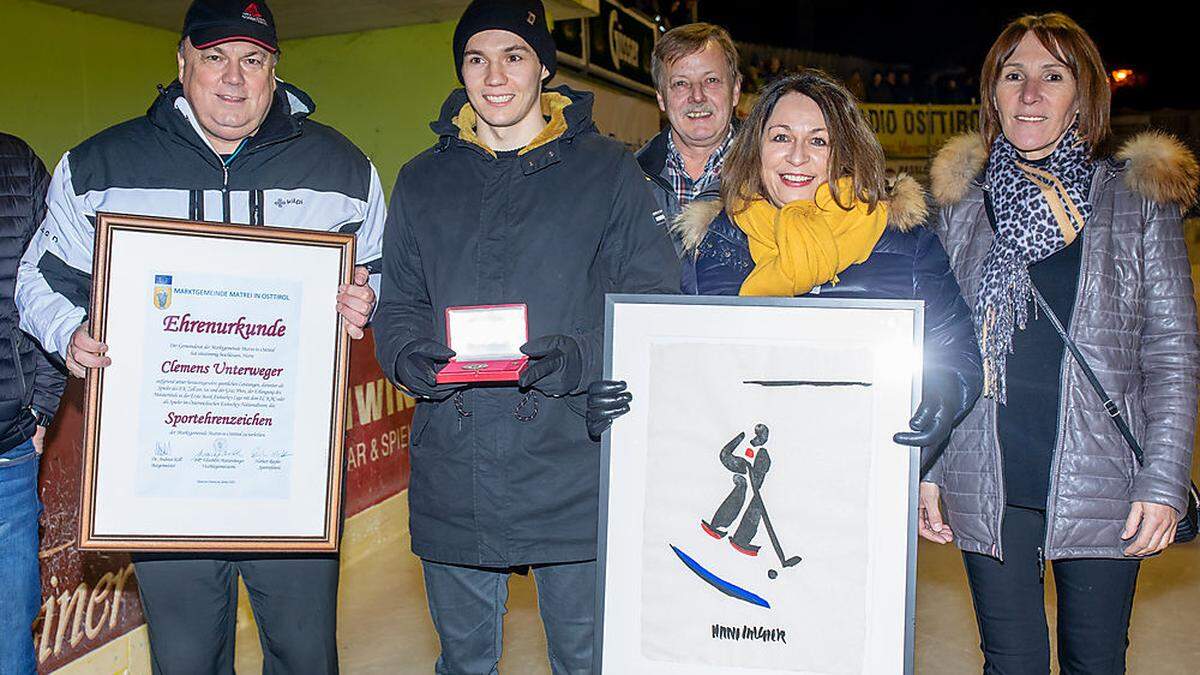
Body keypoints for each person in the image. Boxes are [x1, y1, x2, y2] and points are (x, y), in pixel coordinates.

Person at [14, 1, 384, 671]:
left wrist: (367, 296)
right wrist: (70, 332)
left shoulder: (342, 168)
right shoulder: (99, 164)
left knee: (306, 653)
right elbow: (38, 279)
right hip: (165, 473)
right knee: (186, 658)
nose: (233, 79)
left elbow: (385, 269)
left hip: (290, 473)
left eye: (253, 60)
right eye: (214, 57)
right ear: (182, 62)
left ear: (276, 71)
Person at [371, 1, 679, 672]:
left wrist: (579, 359)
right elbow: (398, 308)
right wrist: (406, 357)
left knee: (585, 658)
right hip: (455, 467)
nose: (496, 75)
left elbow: (659, 305)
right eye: (477, 58)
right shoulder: (422, 180)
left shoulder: (608, 172)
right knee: (464, 661)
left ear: (543, 65)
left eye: (514, 55)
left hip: (573, 460)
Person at [924, 13, 1199, 673]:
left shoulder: (1134, 202)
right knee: (1010, 662)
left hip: (1104, 477)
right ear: (992, 93)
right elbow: (935, 345)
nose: (1029, 94)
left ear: (1084, 95)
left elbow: (1172, 354)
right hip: (988, 473)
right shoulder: (961, 204)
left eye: (1053, 76)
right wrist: (930, 467)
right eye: (1013, 75)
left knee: (1095, 661)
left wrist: (1163, 479)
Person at [590, 70, 983, 474]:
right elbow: (680, 376)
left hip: (858, 485)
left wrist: (945, 389)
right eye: (781, 137)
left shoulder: (904, 241)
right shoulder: (712, 247)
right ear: (756, 148)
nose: (798, 156)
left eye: (818, 140)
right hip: (744, 476)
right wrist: (626, 401)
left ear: (844, 151)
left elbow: (956, 348)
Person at [0, 133, 67, 675]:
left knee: (7, 633)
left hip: (7, 456)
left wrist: (42, 408)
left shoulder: (18, 165)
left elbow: (52, 287)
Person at [637, 22, 742, 292]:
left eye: (711, 81)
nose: (697, 96)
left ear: (736, 90)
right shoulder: (627, 180)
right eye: (681, 84)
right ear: (661, 98)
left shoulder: (773, 179)